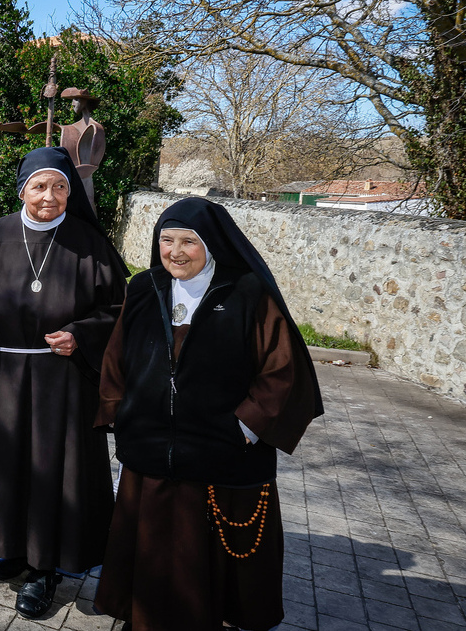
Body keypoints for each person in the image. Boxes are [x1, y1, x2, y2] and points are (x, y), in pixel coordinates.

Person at [93, 197, 323, 631]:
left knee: (206, 554)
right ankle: (144, 618)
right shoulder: (144, 289)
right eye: (166, 240)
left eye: (188, 242)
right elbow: (116, 357)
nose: (175, 252)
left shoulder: (248, 293)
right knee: (153, 547)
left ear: (212, 244)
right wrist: (120, 412)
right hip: (151, 451)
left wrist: (244, 429)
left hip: (223, 453)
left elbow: (281, 370)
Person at [0, 147, 127, 618]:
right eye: (40, 186)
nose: (50, 196)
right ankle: (14, 549)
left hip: (60, 378)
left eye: (61, 186)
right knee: (7, 464)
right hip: (3, 372)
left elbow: (119, 312)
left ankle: (46, 567)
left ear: (71, 192)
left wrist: (81, 335)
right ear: (22, 189)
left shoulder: (88, 242)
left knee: (52, 468)